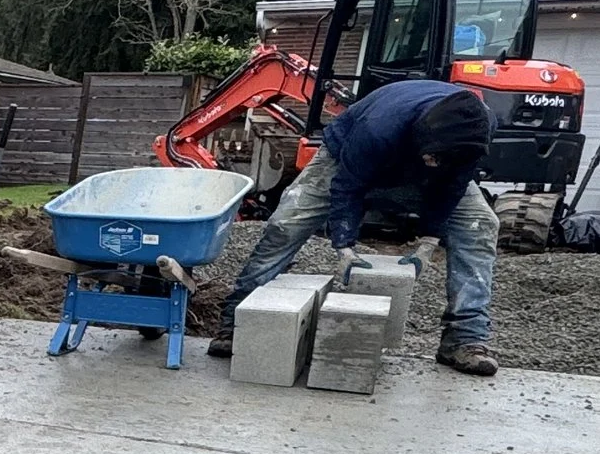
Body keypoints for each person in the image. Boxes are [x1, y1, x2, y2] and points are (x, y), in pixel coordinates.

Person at [209, 79, 501, 377]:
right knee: (286, 224)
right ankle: (236, 323)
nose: (431, 162)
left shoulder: (477, 134)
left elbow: (453, 187)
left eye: (438, 159)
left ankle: (465, 337)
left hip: (426, 160)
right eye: (431, 155)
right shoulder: (379, 127)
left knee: (481, 226)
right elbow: (348, 186)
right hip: (344, 157)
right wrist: (344, 244)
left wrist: (429, 238)